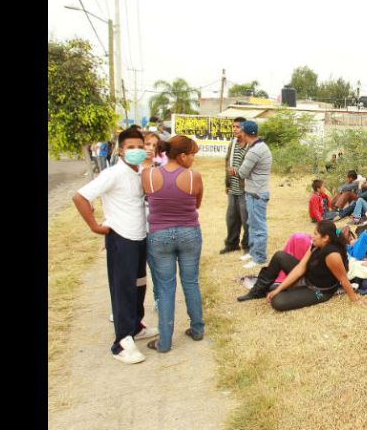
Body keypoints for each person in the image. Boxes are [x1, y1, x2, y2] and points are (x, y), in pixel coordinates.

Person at [72, 128, 158, 364]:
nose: (137, 151)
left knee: (140, 283)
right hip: (122, 239)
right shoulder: (113, 174)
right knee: (123, 288)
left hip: (140, 237)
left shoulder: (138, 173)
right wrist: (95, 226)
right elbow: (80, 197)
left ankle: (136, 325)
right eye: (131, 147)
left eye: (140, 147)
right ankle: (121, 342)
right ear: (120, 151)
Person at [141, 136, 205, 353]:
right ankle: (197, 329)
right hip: (189, 233)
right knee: (190, 282)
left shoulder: (148, 175)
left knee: (166, 288)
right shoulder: (193, 177)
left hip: (159, 236)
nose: (194, 159)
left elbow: (148, 199)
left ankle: (164, 342)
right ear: (182, 156)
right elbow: (196, 203)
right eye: (192, 154)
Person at [236, 220, 365, 310]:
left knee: (278, 302)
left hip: (319, 291)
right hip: (308, 276)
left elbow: (343, 279)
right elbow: (300, 267)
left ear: (325, 238)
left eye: (315, 234)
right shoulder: (315, 244)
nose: (312, 237)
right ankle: (258, 291)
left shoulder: (333, 255)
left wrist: (355, 300)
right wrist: (279, 289)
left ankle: (293, 291)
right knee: (279, 256)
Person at [238, 120, 272, 269]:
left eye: (240, 131)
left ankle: (259, 257)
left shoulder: (254, 151)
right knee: (252, 224)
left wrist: (236, 170)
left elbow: (242, 172)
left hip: (256, 193)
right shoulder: (259, 146)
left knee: (258, 226)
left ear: (245, 133)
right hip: (255, 192)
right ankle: (253, 252)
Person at [220, 117, 250, 255]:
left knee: (246, 219)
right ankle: (232, 244)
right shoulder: (232, 143)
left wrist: (237, 172)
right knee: (231, 218)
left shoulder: (251, 145)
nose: (235, 129)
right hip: (233, 187)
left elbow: (252, 167)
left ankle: (247, 246)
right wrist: (227, 183)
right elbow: (228, 162)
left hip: (246, 188)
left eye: (238, 127)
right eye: (234, 127)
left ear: (245, 129)